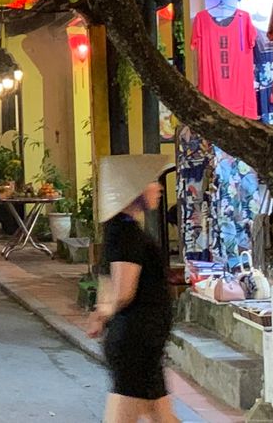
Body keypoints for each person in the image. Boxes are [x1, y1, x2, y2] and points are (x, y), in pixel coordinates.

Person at [87, 154, 177, 423]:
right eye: (151, 182)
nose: (159, 188)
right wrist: (104, 313)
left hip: (143, 340)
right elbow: (124, 291)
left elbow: (107, 282)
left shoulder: (120, 229)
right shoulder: (126, 234)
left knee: (163, 415)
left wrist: (101, 312)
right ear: (133, 190)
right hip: (136, 341)